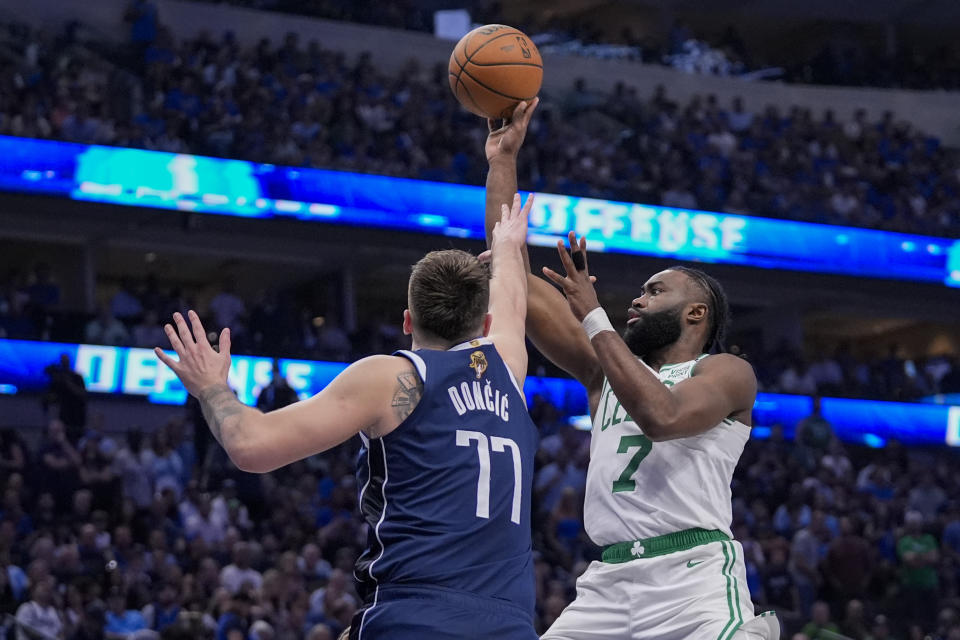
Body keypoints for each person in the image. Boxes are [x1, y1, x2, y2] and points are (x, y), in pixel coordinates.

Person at [156, 194, 538, 639]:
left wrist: (211, 387)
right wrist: (509, 244)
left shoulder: (394, 378)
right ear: (485, 325)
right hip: (511, 627)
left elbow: (250, 446)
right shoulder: (509, 371)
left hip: (414, 619)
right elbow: (512, 299)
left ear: (408, 321)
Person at [484, 99, 778, 639]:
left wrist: (594, 317)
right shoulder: (607, 370)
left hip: (693, 580)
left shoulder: (728, 372)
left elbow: (662, 416)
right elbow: (512, 274)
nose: (636, 301)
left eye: (654, 290)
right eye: (639, 292)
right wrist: (502, 161)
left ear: (696, 313)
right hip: (609, 582)